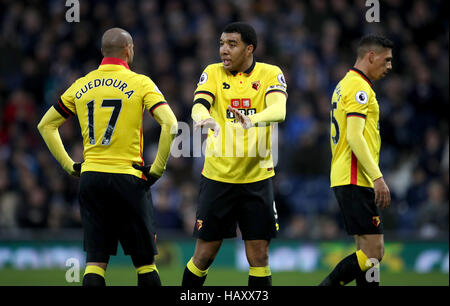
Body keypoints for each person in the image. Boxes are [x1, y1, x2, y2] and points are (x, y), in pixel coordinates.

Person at [37, 27, 178, 286]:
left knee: (95, 263)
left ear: (103, 52)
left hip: (91, 179)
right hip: (129, 179)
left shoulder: (80, 86)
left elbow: (45, 125)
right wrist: (157, 169)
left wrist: (70, 165)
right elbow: (171, 125)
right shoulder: (141, 83)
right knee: (145, 264)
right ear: (128, 49)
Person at [182, 22, 287, 286]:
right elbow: (198, 106)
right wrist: (203, 119)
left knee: (259, 255)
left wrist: (253, 120)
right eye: (221, 44)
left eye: (232, 44)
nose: (224, 50)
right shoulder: (212, 73)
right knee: (204, 255)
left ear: (249, 48)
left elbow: (279, 110)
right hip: (219, 177)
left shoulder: (270, 74)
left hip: (257, 178)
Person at [320, 34, 393, 286]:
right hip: (355, 176)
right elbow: (354, 136)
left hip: (346, 176)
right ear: (371, 56)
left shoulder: (344, 84)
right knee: (375, 252)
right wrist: (377, 177)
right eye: (386, 60)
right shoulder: (359, 87)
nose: (390, 66)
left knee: (366, 253)